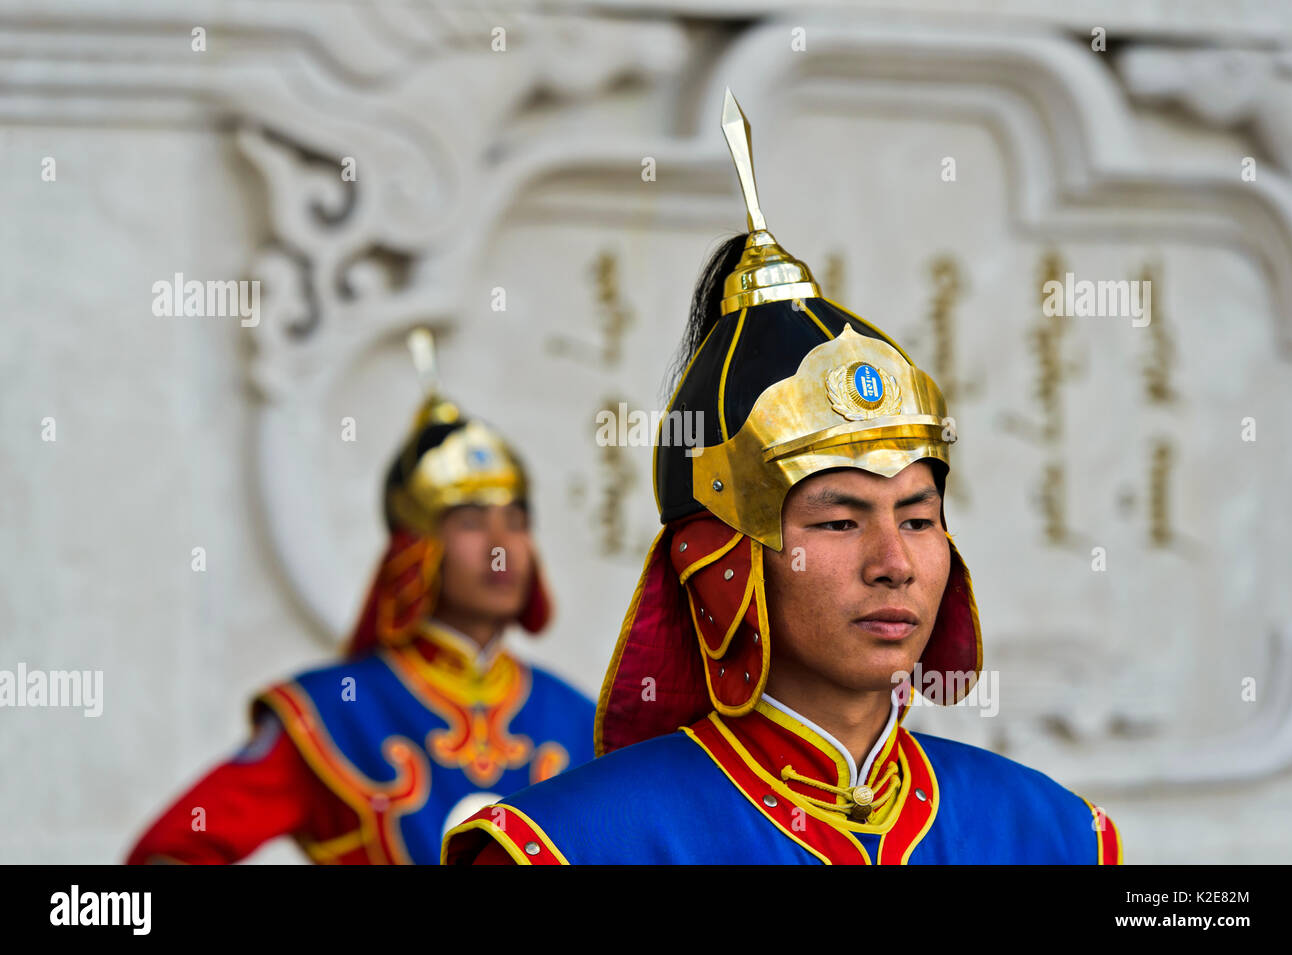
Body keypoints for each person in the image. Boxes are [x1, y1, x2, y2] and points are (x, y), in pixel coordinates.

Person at [442, 90, 1122, 865]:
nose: (893, 561)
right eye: (838, 519)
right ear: (719, 562)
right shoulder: (575, 844)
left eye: (917, 516)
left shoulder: (1051, 834)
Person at [127, 330, 594, 864]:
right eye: (469, 522)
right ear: (415, 551)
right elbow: (169, 852)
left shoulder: (577, 719)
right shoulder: (331, 714)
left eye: (516, 522)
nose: (501, 546)